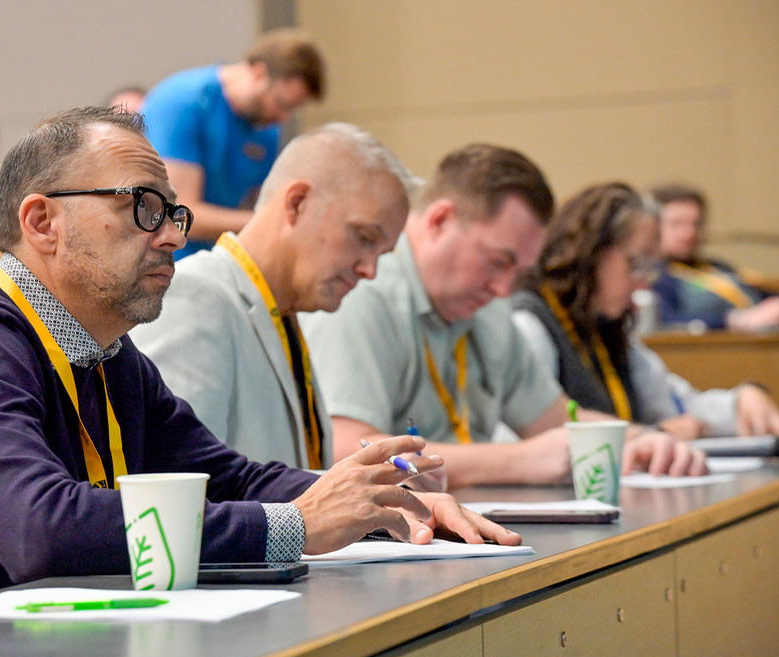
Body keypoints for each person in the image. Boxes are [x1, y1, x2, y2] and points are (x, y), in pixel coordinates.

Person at [0, 107, 519, 636]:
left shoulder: (105, 354)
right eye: (144, 209)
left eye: (172, 211)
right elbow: (41, 528)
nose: (174, 233)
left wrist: (382, 504)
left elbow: (231, 476)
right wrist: (296, 526)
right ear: (43, 222)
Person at [301, 145, 707, 489]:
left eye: (517, 271)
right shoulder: (363, 290)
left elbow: (555, 419)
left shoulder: (486, 307)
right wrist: (513, 461)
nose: (503, 289)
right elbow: (346, 451)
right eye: (497, 261)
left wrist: (639, 439)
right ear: (440, 220)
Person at [132, 123, 415, 469]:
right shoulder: (195, 299)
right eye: (364, 237)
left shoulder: (285, 313)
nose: (370, 270)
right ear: (297, 203)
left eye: (382, 254)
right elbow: (179, 488)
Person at [511, 182, 779, 440]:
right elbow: (540, 428)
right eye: (636, 263)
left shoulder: (605, 325)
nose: (643, 283)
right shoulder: (529, 323)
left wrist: (741, 400)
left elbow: (677, 402)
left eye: (652, 267)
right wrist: (649, 436)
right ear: (590, 252)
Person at [141, 28, 325, 259]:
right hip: (164, 262)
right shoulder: (182, 102)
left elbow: (259, 203)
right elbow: (180, 215)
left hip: (216, 262)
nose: (284, 117)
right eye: (281, 104)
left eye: (292, 110)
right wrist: (272, 222)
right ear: (259, 73)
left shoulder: (266, 128)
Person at [650, 183, 779, 331]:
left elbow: (761, 295)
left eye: (695, 224)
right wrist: (735, 320)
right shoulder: (655, 277)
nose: (689, 233)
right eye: (677, 224)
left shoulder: (717, 267)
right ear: (653, 227)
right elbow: (667, 320)